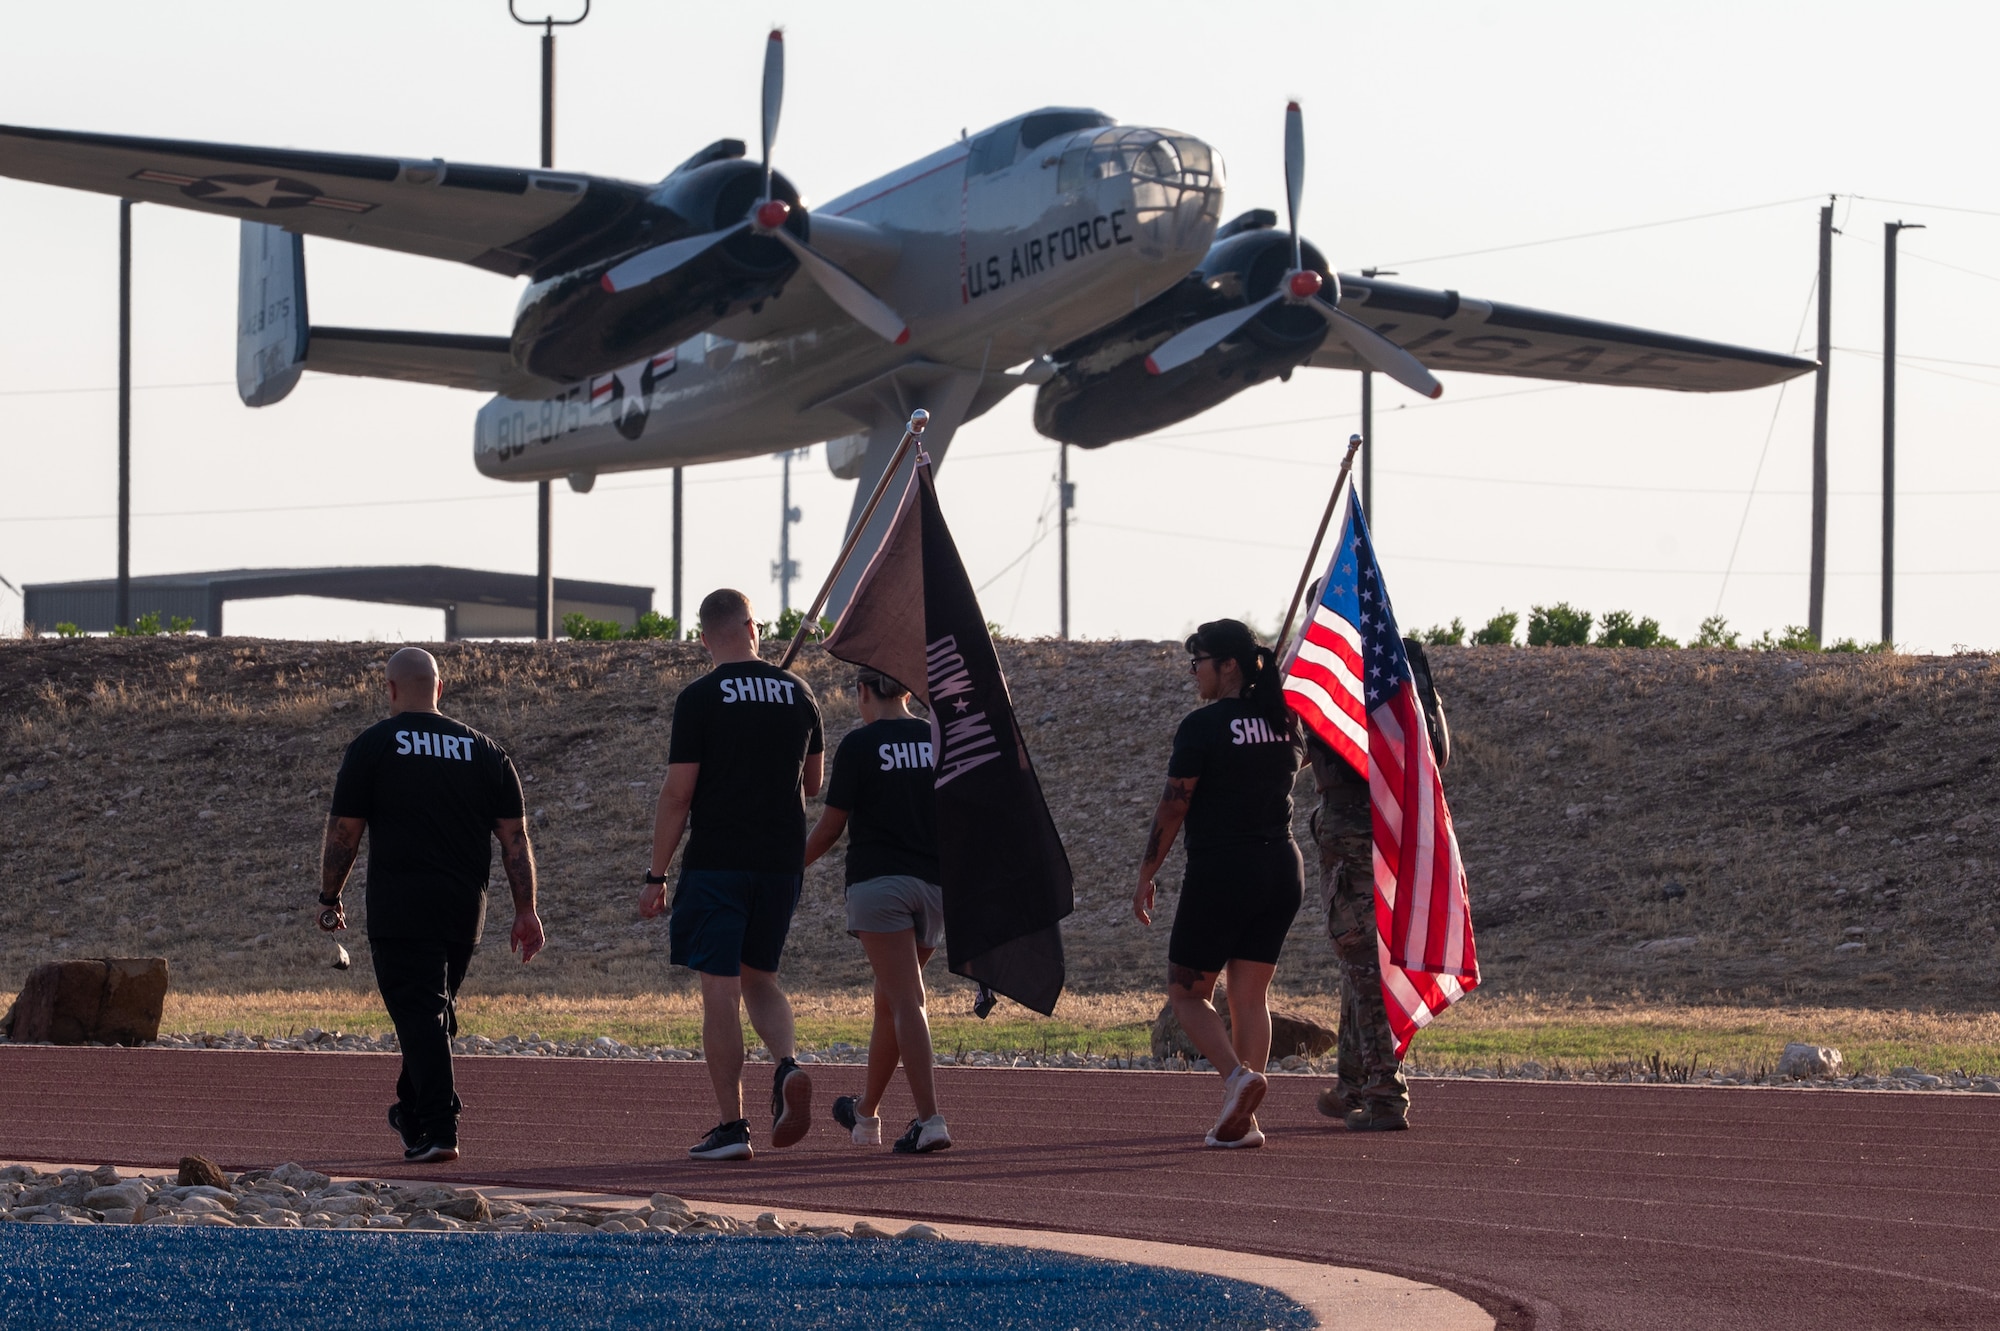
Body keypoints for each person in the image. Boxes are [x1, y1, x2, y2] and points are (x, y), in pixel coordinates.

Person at [318, 646, 545, 1165]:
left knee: (421, 1014)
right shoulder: (486, 752)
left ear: (391, 689)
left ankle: (440, 1127)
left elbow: (344, 833)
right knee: (433, 1013)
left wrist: (330, 896)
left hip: (401, 906)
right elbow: (515, 840)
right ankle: (411, 1110)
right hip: (466, 909)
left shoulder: (373, 746)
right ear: (440, 689)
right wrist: (526, 909)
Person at [640, 588, 824, 1162]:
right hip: (779, 864)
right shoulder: (799, 693)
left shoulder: (699, 697)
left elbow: (678, 793)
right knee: (760, 979)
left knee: (719, 994)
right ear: (755, 628)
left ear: (702, 638)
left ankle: (731, 1126)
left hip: (719, 861)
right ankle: (788, 1064)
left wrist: (656, 873)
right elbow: (813, 784)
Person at [1133, 619, 1306, 1149]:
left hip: (1223, 871)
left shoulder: (1203, 725)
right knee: (1249, 999)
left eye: (1198, 661)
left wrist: (1146, 873)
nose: (1193, 673)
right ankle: (1242, 1118)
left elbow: (1175, 803)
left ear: (1227, 664)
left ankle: (1238, 1079)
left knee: (1187, 995)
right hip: (1281, 868)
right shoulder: (1287, 721)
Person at [802, 668, 952, 1155]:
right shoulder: (937, 737)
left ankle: (930, 1120)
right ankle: (865, 1115)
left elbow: (831, 827)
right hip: (934, 887)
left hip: (879, 886)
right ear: (907, 691)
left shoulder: (861, 745)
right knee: (889, 1002)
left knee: (907, 1001)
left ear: (863, 691)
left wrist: (788, 864)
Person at [1306, 736, 1410, 1130]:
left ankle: (1385, 1091)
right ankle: (1354, 1081)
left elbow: (1297, 740)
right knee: (1361, 955)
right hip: (1397, 814)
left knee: (1362, 956)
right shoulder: (1404, 675)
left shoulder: (1345, 675)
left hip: (1352, 822)